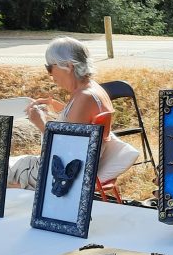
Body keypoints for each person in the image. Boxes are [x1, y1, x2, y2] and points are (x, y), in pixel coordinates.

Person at [9, 36, 138, 189]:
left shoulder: (84, 98)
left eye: (50, 68)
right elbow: (76, 122)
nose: (50, 75)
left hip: (55, 174)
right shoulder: (92, 90)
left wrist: (41, 123)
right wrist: (52, 105)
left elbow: (66, 149)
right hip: (64, 169)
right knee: (2, 162)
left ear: (68, 66)